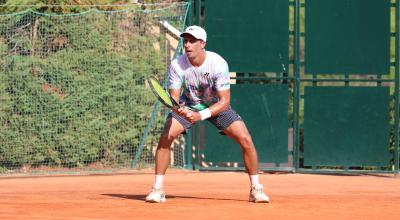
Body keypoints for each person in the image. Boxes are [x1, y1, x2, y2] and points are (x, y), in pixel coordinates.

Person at [145, 25, 269, 203]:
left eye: (192, 41)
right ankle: (157, 189)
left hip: (216, 107)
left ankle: (256, 189)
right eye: (185, 41)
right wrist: (180, 109)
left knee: (246, 139)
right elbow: (173, 99)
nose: (187, 45)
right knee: (167, 135)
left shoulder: (218, 63)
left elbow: (224, 101)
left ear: (202, 43)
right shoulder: (177, 65)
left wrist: (201, 115)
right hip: (188, 105)